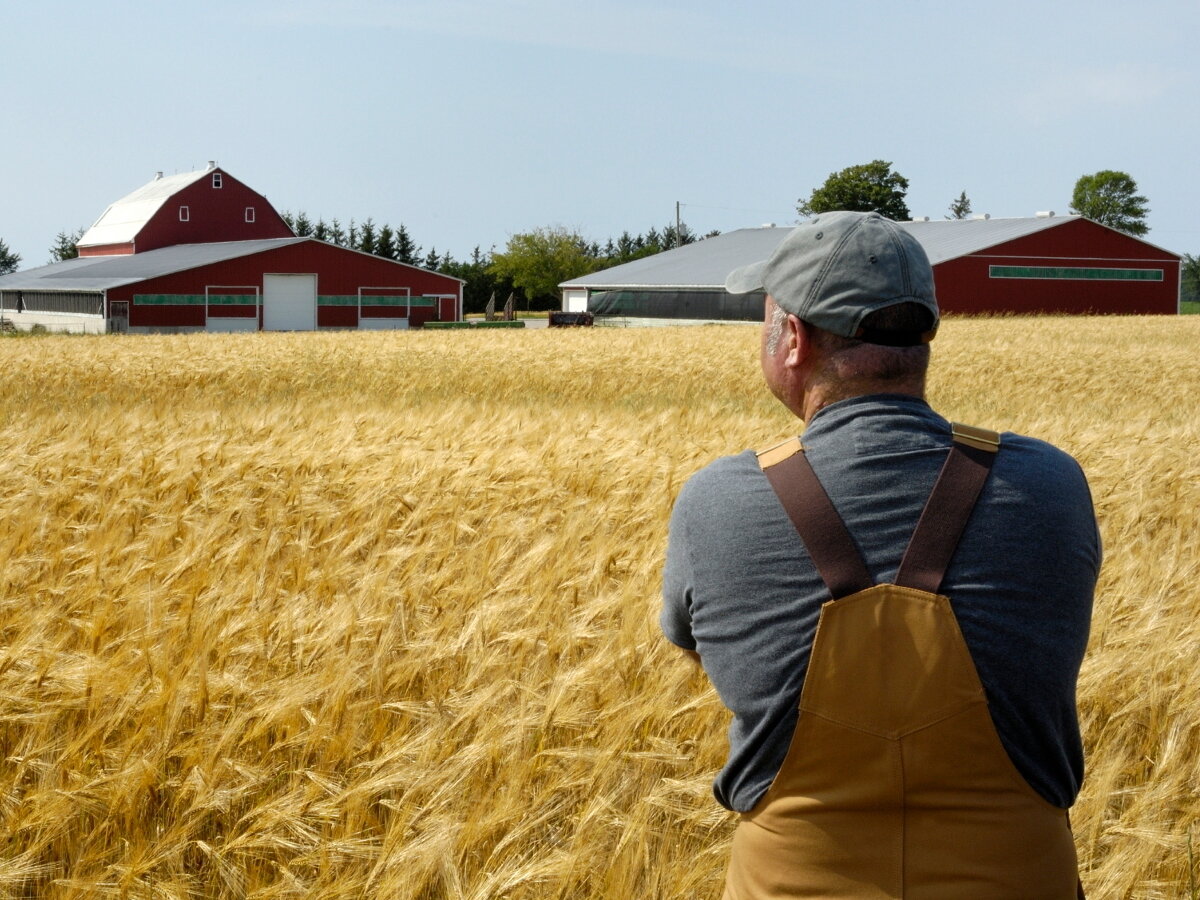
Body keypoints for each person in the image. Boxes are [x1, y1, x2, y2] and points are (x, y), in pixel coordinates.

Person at [660, 211, 1100, 899]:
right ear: (923, 334)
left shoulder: (717, 502)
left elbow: (696, 650)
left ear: (794, 339)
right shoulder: (1052, 485)